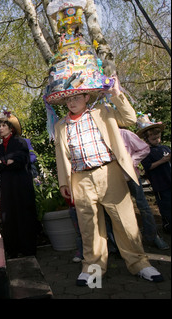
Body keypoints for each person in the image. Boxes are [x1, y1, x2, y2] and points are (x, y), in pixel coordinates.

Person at [54, 75, 163, 285]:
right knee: (88, 227)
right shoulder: (61, 125)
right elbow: (61, 156)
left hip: (109, 172)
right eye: (67, 99)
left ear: (86, 96)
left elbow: (130, 120)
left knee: (125, 221)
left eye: (76, 96)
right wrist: (64, 183)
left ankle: (140, 264)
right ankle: (93, 269)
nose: (71, 102)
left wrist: (116, 94)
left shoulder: (102, 112)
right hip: (80, 178)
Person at [0, 112, 40, 258]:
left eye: (4, 125)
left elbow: (19, 161)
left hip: (21, 186)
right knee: (8, 217)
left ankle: (28, 250)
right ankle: (12, 250)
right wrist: (5, 162)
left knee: (24, 216)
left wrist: (2, 163)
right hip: (5, 189)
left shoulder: (20, 142)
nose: (1, 128)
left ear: (11, 128)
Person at [119, 128, 169, 249]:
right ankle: (122, 242)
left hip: (130, 175)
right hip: (111, 179)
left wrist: (130, 162)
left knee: (143, 205)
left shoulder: (124, 134)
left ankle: (153, 236)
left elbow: (143, 149)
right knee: (118, 209)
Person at [137, 115, 171, 234]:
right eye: (153, 139)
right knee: (166, 206)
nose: (157, 140)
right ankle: (167, 226)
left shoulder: (165, 148)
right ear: (147, 139)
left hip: (169, 180)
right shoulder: (146, 152)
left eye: (158, 138)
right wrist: (163, 160)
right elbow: (148, 167)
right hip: (160, 185)